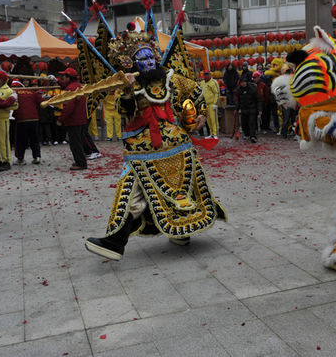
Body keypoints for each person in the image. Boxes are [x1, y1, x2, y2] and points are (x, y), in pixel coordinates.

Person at [82, 29, 225, 260]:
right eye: (142, 59)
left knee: (180, 188)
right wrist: (127, 88)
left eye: (150, 57)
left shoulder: (170, 77)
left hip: (175, 145)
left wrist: (198, 114)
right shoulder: (130, 83)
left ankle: (177, 232)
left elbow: (195, 91)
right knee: (129, 190)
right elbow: (123, 110)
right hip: (142, 148)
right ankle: (115, 241)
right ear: (132, 63)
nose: (148, 62)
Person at [57, 68, 88, 170]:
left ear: (68, 77)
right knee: (78, 142)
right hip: (81, 119)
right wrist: (57, 81)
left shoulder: (70, 89)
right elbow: (66, 86)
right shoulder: (78, 86)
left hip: (73, 120)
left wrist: (60, 119)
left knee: (75, 144)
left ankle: (81, 163)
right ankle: (80, 161)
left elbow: (68, 107)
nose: (62, 78)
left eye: (64, 76)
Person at [0, 71, 18, 171]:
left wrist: (3, 106)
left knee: (3, 141)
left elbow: (15, 106)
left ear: (1, 80)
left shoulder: (9, 91)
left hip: (2, 119)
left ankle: (6, 161)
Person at [13, 79, 45, 165]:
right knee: (34, 138)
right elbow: (42, 102)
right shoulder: (31, 92)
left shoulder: (13, 93)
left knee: (20, 140)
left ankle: (20, 159)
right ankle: (37, 157)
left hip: (21, 119)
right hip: (34, 119)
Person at [235, 77, 261, 143]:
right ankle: (247, 134)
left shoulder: (252, 89)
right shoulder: (239, 90)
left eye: (244, 82)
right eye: (242, 82)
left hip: (252, 108)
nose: (243, 84)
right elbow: (238, 100)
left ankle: (253, 136)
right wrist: (236, 109)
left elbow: (258, 99)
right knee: (244, 123)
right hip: (244, 108)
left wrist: (259, 109)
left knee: (252, 122)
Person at [200, 70, 220, 139]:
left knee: (213, 119)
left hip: (212, 104)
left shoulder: (213, 82)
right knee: (208, 120)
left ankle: (215, 133)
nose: (206, 76)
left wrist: (215, 103)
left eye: (207, 74)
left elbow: (217, 93)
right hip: (205, 104)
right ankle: (211, 133)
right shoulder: (202, 83)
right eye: (205, 74)